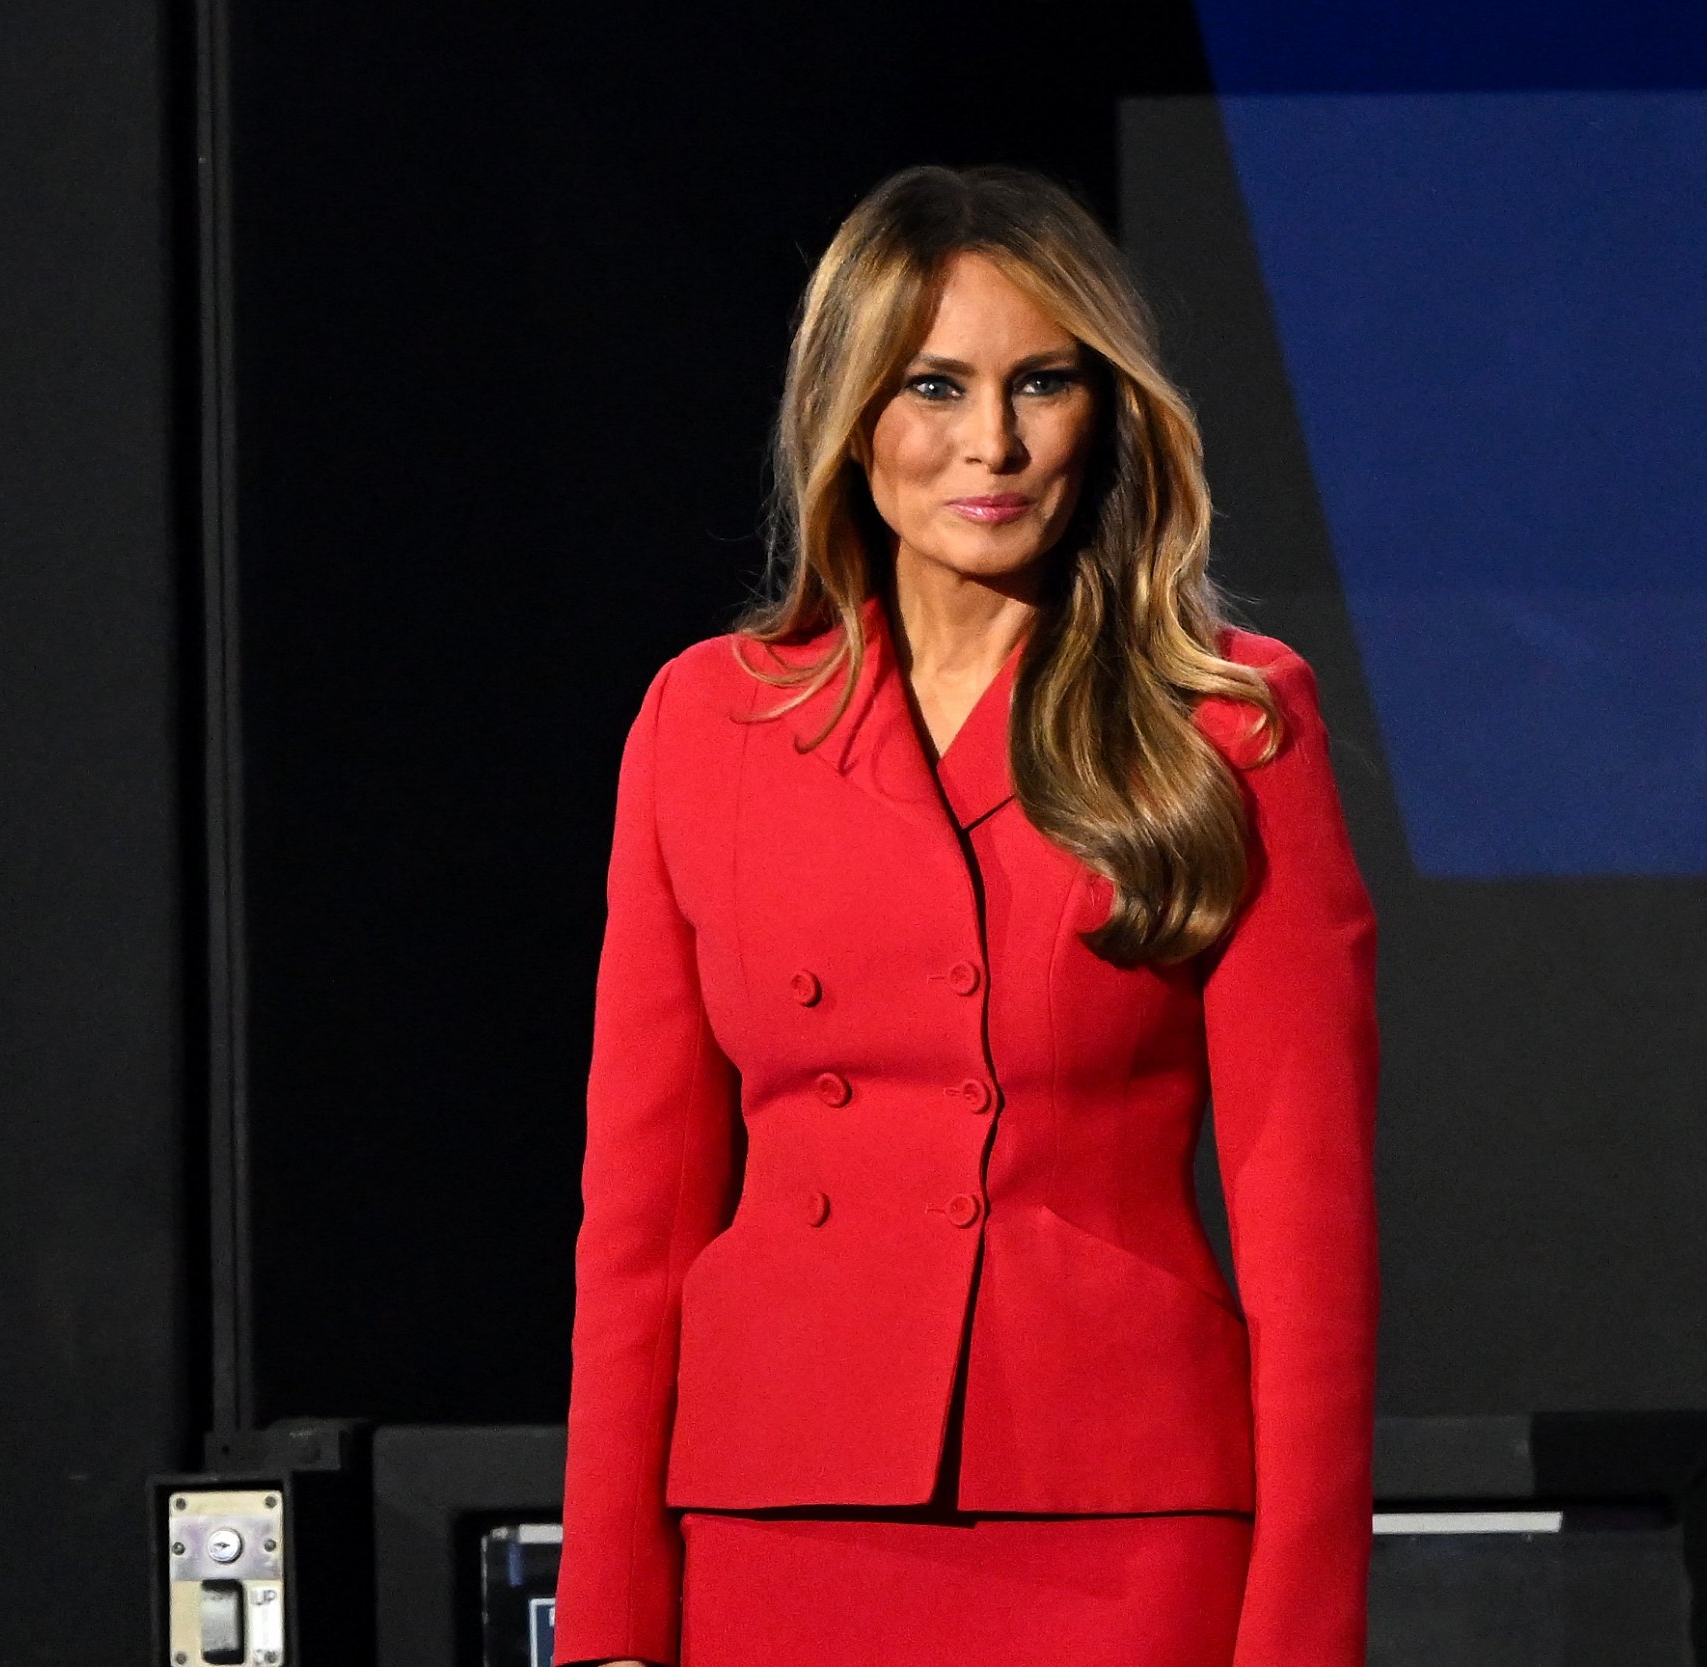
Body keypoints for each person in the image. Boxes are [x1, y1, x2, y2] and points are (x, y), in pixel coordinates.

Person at [549, 163, 1381, 1667]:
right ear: (852, 411)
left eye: (1041, 383)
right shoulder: (702, 723)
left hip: (1118, 1521)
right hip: (772, 1516)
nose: (989, 443)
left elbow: (1304, 1218)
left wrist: (1302, 1633)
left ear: (1104, 410)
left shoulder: (1229, 721)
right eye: (933, 385)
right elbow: (640, 1216)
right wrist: (610, 1615)